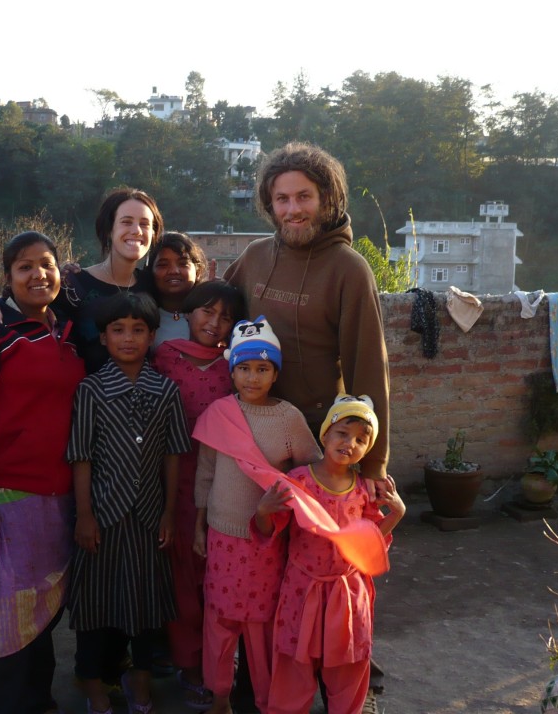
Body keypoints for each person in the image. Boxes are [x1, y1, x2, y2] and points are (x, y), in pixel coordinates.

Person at [0, 231, 86, 714]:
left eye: (46, 264)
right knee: (4, 617)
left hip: (57, 496)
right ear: (6, 278)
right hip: (3, 500)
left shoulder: (67, 330)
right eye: (24, 267)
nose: (37, 274)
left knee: (42, 613)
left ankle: (37, 700)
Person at [223, 142, 390, 481]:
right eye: (282, 199)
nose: (292, 209)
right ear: (270, 205)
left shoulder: (349, 269)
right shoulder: (256, 256)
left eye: (304, 197)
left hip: (317, 438)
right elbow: (213, 316)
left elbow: (368, 367)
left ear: (326, 199)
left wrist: (374, 467)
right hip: (252, 427)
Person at [67, 292, 191, 714]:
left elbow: (174, 454)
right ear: (103, 338)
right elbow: (80, 456)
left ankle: (139, 677)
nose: (128, 338)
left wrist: (169, 513)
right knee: (96, 603)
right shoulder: (91, 389)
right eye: (118, 330)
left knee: (146, 602)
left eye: (138, 330)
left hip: (149, 515)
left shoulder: (166, 390)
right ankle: (92, 680)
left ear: (152, 336)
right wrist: (84, 515)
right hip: (102, 513)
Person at [191, 316, 322, 714]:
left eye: (262, 368)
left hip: (266, 542)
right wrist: (198, 526)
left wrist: (282, 508)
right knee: (219, 621)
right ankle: (220, 698)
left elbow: (309, 474)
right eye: (244, 368)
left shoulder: (288, 418)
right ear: (232, 371)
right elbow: (206, 473)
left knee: (262, 626)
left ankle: (268, 701)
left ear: (275, 372)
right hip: (221, 536)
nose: (252, 377)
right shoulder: (218, 413)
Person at [254, 395, 405, 714]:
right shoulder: (298, 481)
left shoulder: (364, 489)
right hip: (302, 590)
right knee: (296, 660)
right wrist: (263, 511)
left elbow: (371, 542)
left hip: (348, 595)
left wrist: (397, 513)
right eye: (342, 432)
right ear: (325, 434)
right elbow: (271, 530)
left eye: (361, 440)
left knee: (347, 664)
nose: (350, 443)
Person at [152, 281, 246, 710]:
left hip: (222, 487)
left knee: (220, 578)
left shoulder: (237, 366)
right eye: (207, 311)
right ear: (188, 313)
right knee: (182, 580)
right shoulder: (164, 358)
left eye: (226, 316)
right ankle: (189, 666)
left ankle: (221, 666)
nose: (214, 322)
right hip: (173, 483)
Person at [0, 188, 165, 373]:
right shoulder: (72, 284)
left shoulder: (154, 284)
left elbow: (190, 303)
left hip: (145, 404)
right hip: (83, 404)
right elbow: (19, 303)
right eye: (126, 222)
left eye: (145, 224)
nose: (137, 231)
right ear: (108, 229)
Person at [147, 231, 210, 349]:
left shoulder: (211, 316)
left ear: (197, 270)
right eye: (163, 265)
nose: (174, 271)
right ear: (151, 271)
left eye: (183, 264)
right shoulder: (143, 316)